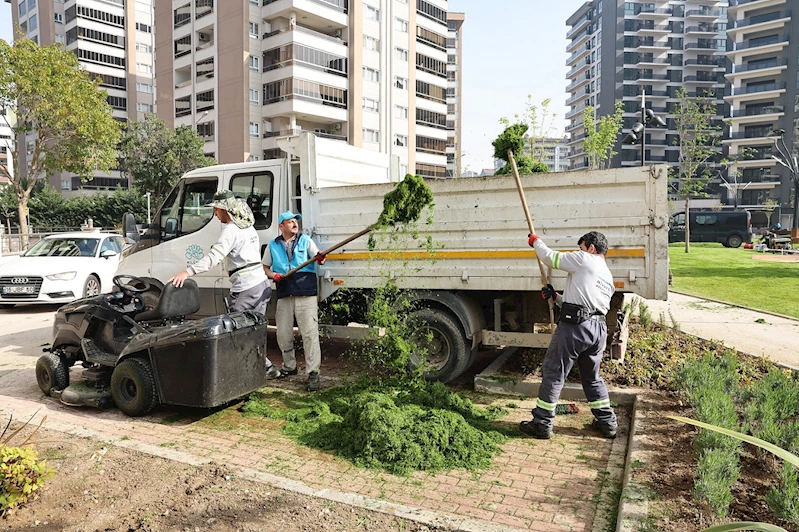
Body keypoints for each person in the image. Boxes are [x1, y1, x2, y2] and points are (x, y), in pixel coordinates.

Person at [168, 191, 280, 379]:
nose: (215, 214)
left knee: (235, 331)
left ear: (224, 209)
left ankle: (244, 373)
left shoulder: (230, 230)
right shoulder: (247, 225)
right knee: (254, 330)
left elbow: (213, 258)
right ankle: (265, 367)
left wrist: (187, 272)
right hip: (261, 284)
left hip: (245, 288)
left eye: (216, 210)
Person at [519, 231, 618, 440]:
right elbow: (586, 303)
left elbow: (550, 258)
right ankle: (607, 423)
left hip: (575, 328)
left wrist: (536, 242)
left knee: (554, 372)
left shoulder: (584, 259)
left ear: (591, 248)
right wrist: (556, 297)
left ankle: (542, 423)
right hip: (598, 330)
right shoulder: (607, 276)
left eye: (582, 247)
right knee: (592, 378)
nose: (579, 251)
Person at [262, 211, 326, 391]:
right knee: (283, 333)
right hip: (284, 292)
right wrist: (273, 275)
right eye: (290, 222)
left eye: (295, 221)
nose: (295, 224)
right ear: (281, 226)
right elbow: (265, 267)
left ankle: (313, 372)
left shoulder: (306, 241)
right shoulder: (273, 245)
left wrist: (321, 258)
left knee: (309, 333)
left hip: (306, 291)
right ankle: (289, 366)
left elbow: (319, 259)